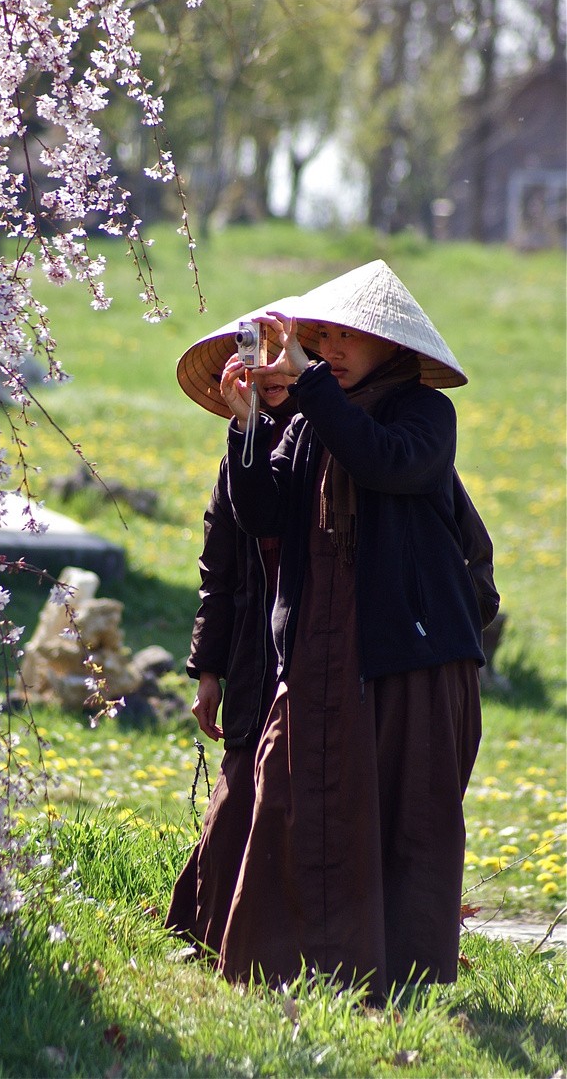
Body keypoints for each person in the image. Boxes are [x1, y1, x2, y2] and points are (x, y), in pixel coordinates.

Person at [215, 260, 495, 996]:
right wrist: (246, 427)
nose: (330, 349)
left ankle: (397, 977)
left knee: (407, 812)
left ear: (389, 346)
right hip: (316, 649)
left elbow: (383, 464)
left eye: (347, 336)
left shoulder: (422, 415)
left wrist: (307, 388)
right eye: (321, 336)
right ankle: (286, 969)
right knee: (293, 797)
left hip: (410, 653)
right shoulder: (310, 422)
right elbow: (264, 514)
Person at [165, 367, 301, 958]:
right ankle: (207, 929)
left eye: (283, 363)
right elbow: (217, 577)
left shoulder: (334, 442)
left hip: (319, 647)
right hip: (255, 652)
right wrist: (208, 673)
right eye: (256, 365)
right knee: (238, 791)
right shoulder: (237, 456)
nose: (268, 377)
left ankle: (287, 942)